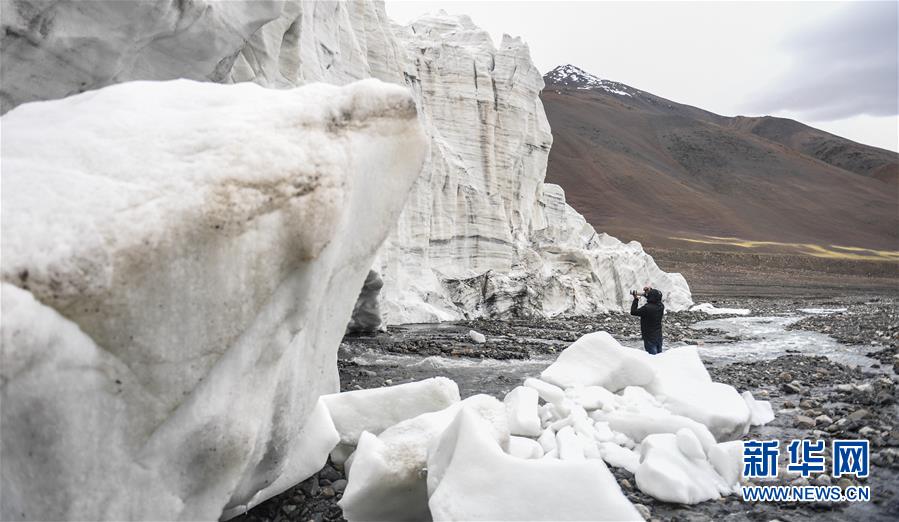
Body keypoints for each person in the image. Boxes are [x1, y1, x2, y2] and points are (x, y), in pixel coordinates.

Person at [630, 286, 664, 355]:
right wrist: (649, 291)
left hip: (649, 337)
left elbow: (633, 312)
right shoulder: (661, 306)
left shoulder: (646, 308)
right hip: (658, 336)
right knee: (659, 356)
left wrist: (636, 299)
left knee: (652, 357)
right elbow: (654, 297)